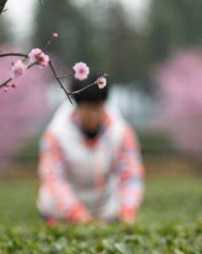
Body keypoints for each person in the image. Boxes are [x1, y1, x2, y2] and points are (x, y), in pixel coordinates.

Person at [37, 75, 144, 223]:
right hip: (60, 215)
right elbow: (54, 178)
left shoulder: (121, 132)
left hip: (106, 213)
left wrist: (127, 210)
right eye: (88, 109)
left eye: (98, 108)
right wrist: (78, 214)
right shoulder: (56, 134)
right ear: (77, 105)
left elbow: (131, 175)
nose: (93, 115)